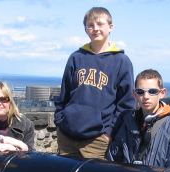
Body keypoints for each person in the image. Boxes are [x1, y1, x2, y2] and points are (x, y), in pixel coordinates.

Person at [54, 7, 136, 159]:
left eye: (100, 24)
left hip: (97, 139)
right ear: (85, 29)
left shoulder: (121, 61)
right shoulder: (76, 57)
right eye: (90, 25)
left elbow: (126, 103)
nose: (95, 29)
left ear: (110, 27)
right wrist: (60, 122)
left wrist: (109, 133)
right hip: (67, 135)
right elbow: (63, 95)